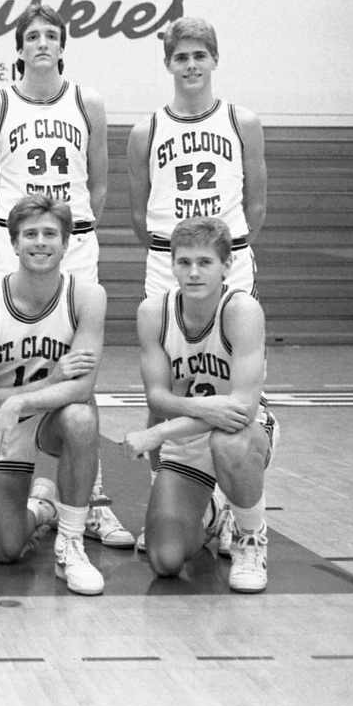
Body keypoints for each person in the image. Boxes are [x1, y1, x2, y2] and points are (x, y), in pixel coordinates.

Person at [0, 2, 131, 550]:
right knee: (1, 363)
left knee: (79, 364)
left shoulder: (89, 102)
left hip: (73, 236)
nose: (41, 43)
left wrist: (68, 230)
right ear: (18, 49)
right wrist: (14, 231)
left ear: (63, 46)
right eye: (31, 36)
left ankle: (91, 498)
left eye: (51, 35)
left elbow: (100, 182)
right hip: (14, 235)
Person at [126, 16, 268, 550]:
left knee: (234, 373)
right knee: (166, 376)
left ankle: (238, 505)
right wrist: (175, 249)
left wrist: (225, 250)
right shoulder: (147, 130)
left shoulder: (241, 121)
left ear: (214, 60)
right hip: (168, 256)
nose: (190, 65)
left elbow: (256, 199)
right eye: (181, 57)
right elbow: (138, 211)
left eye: (199, 56)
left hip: (225, 256)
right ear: (168, 64)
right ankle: (183, 491)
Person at [0, 194, 107, 595]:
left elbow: (82, 387)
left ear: (66, 241)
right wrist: (41, 387)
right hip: (5, 424)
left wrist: (19, 400)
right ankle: (42, 508)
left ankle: (71, 545)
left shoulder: (87, 297)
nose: (40, 242)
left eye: (50, 234)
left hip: (49, 414)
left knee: (81, 415)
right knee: (6, 550)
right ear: (14, 243)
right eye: (30, 234)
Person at [121, 217, 276, 594]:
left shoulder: (242, 311)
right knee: (165, 560)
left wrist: (157, 433)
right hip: (188, 436)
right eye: (183, 262)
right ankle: (212, 512)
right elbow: (157, 398)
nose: (193, 272)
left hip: (243, 433)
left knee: (229, 440)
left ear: (226, 266)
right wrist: (203, 409)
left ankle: (250, 537)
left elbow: (240, 410)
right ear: (171, 264)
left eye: (204, 262)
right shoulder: (154, 313)